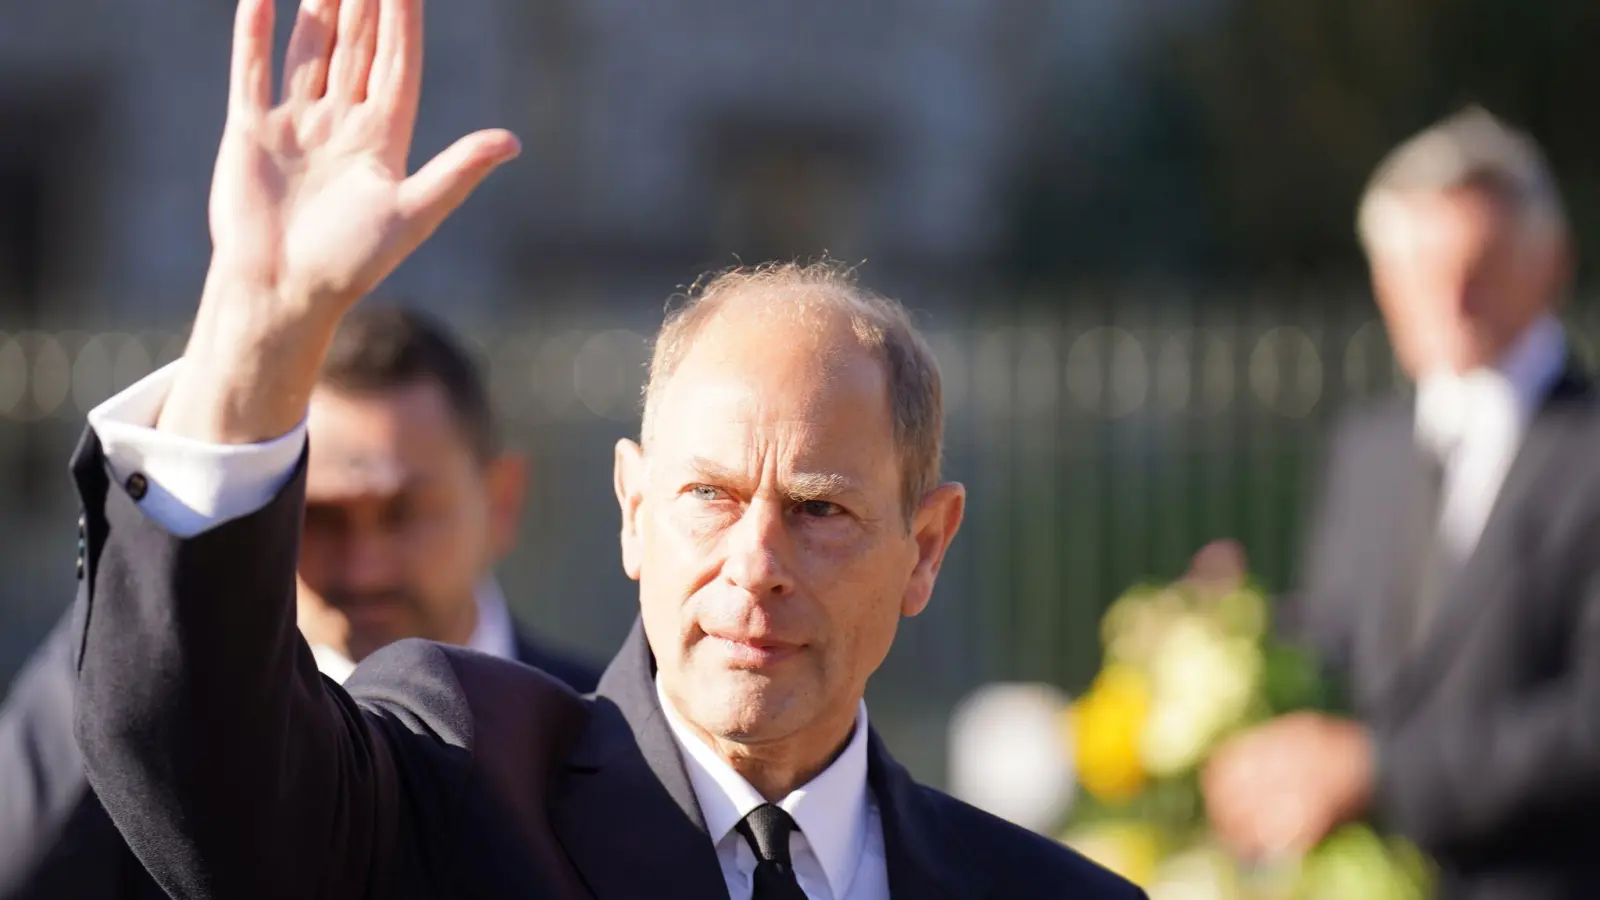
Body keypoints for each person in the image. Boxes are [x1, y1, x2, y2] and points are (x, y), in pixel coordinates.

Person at [64, 1, 1144, 899]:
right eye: (709, 497)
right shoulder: (456, 786)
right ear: (633, 512)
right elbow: (204, 775)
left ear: (926, 547)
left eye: (818, 509)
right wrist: (263, 328)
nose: (755, 563)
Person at [0, 306, 599, 899]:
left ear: (501, 501)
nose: (364, 567)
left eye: (404, 513)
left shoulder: (605, 739)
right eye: (317, 518)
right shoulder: (139, 753)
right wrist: (148, 603)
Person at [1202, 107, 1600, 900]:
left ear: (1550, 263)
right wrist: (1238, 636)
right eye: (1419, 271)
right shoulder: (1369, 448)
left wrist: (1382, 772)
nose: (1450, 301)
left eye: (1478, 267)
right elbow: (1352, 647)